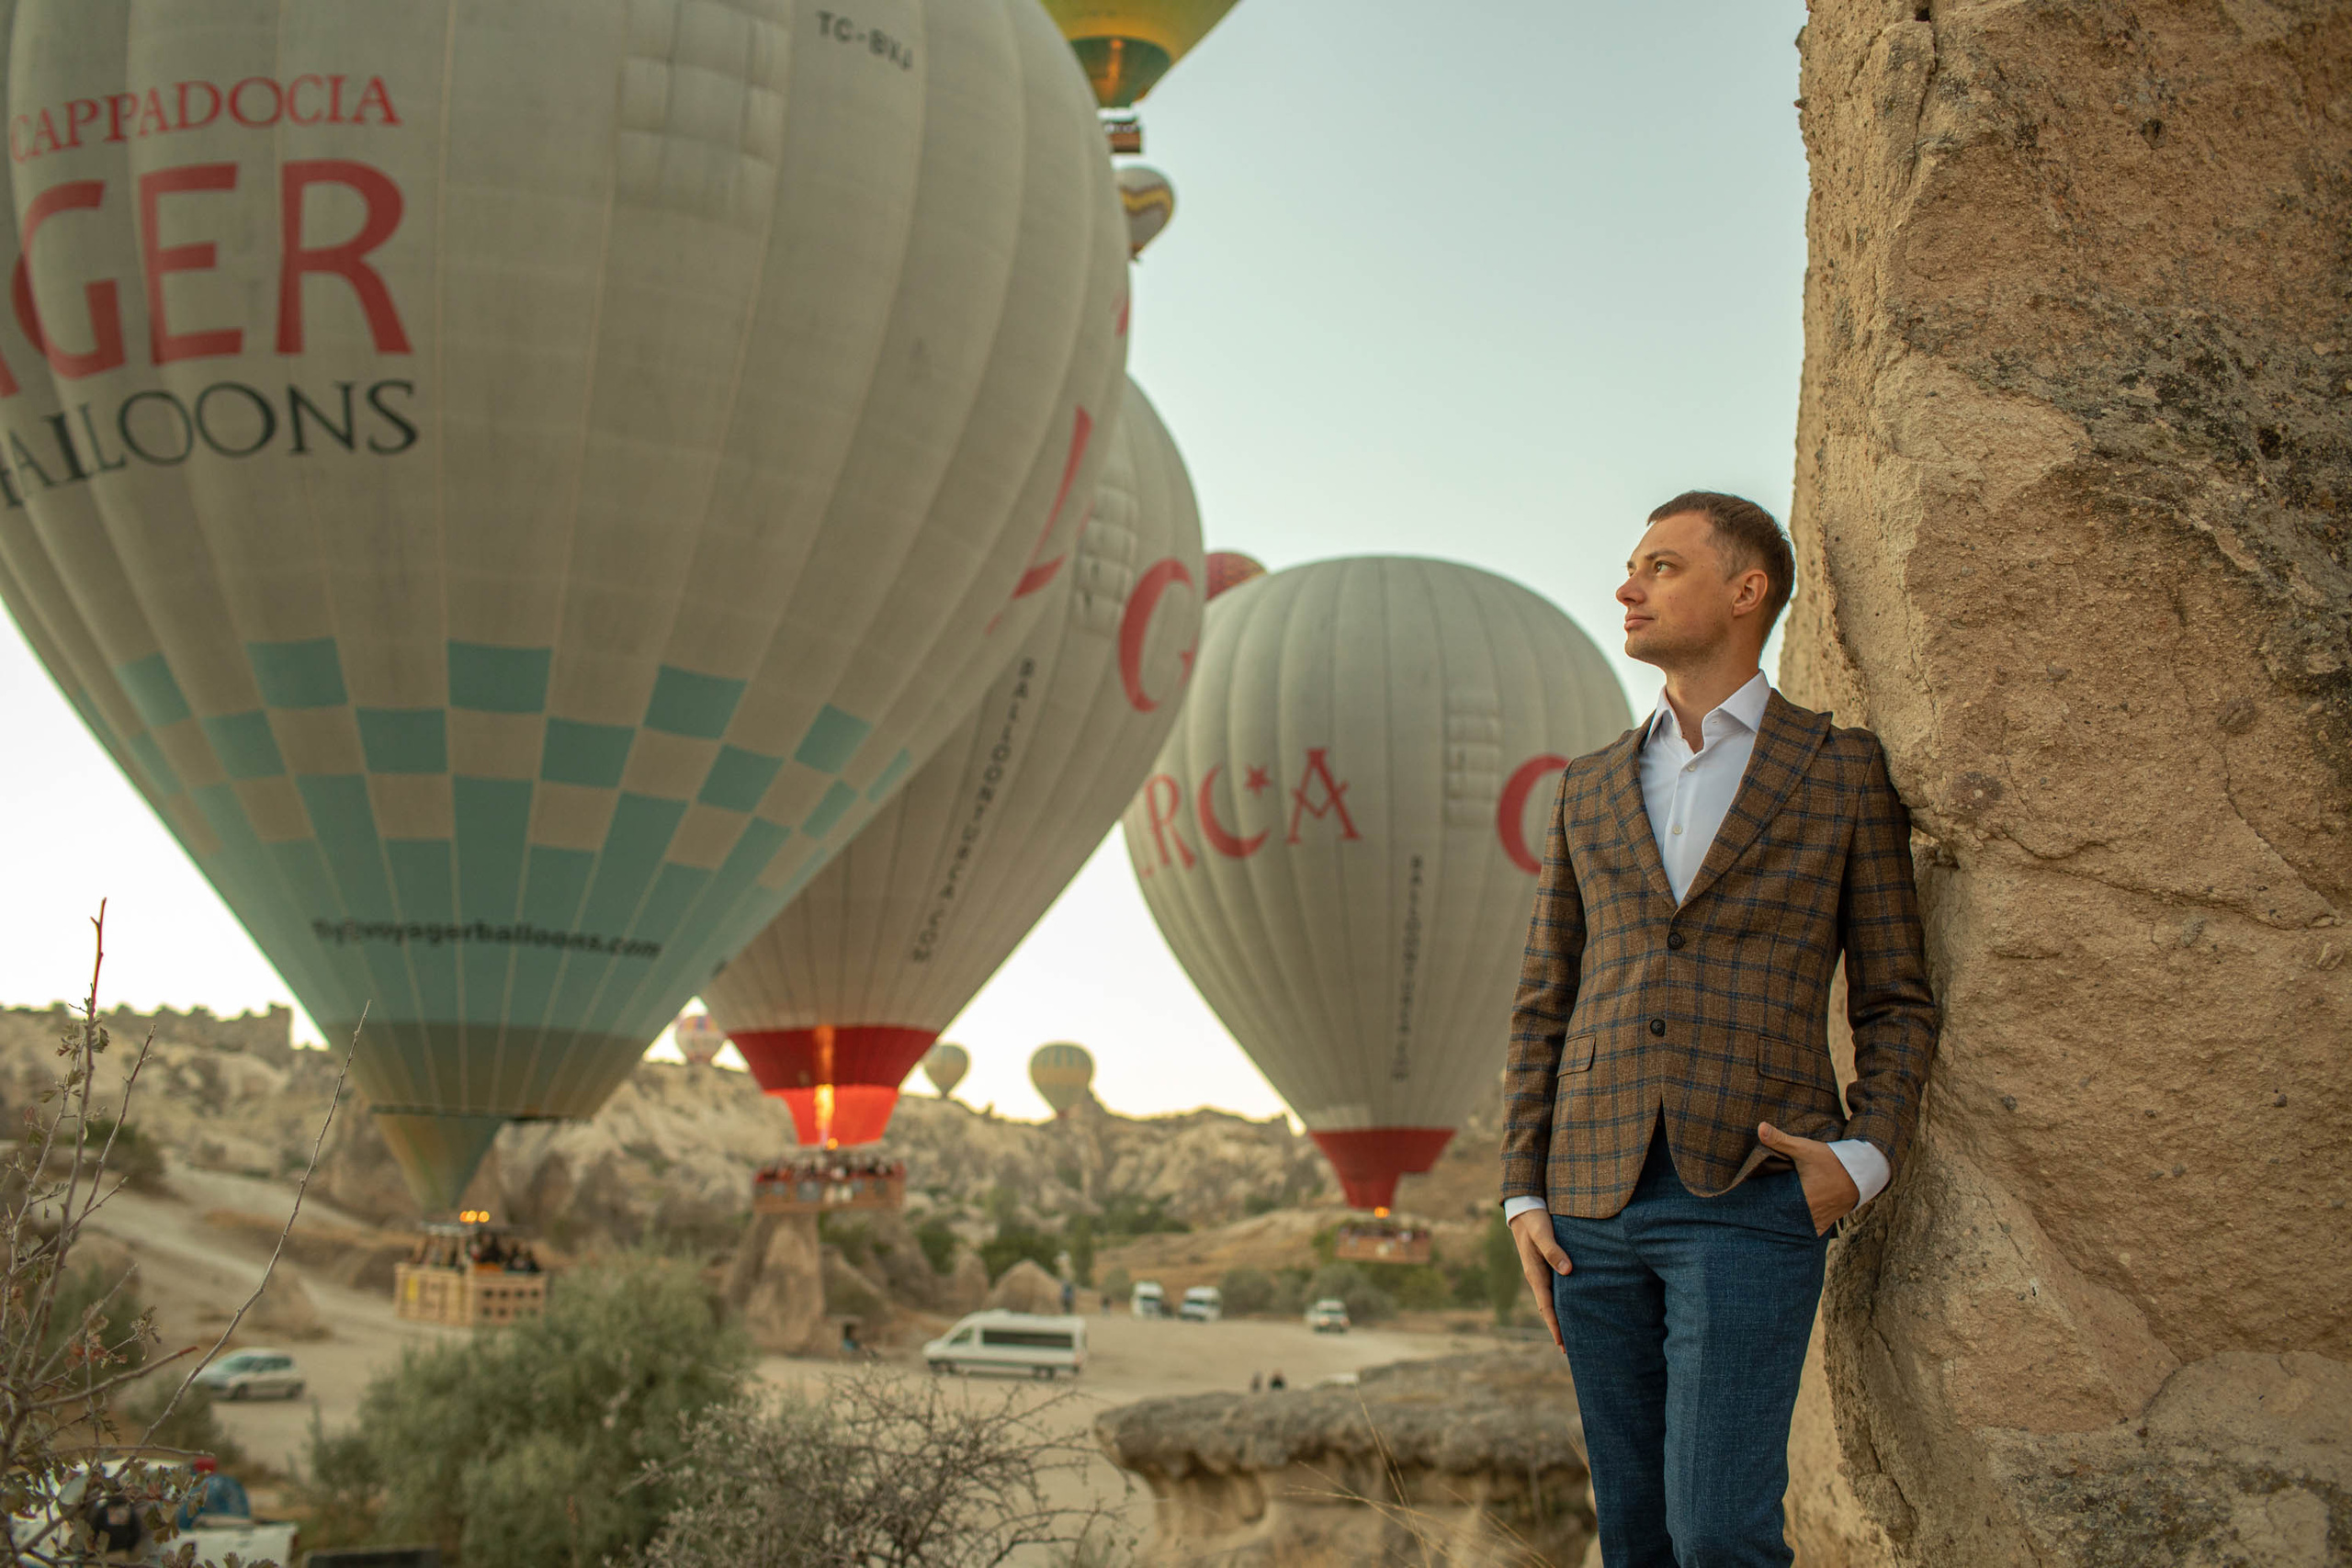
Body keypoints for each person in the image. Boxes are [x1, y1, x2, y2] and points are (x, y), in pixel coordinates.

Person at [1501, 492, 1938, 1568]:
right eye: (1630, 567)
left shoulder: (1839, 771)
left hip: (1749, 1196)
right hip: (1587, 1208)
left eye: (1660, 566)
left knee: (1718, 1535)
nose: (1626, 588)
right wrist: (1521, 1189)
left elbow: (1894, 994)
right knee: (1637, 1539)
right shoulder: (1588, 784)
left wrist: (1863, 1158)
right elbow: (1545, 996)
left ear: (1747, 593)